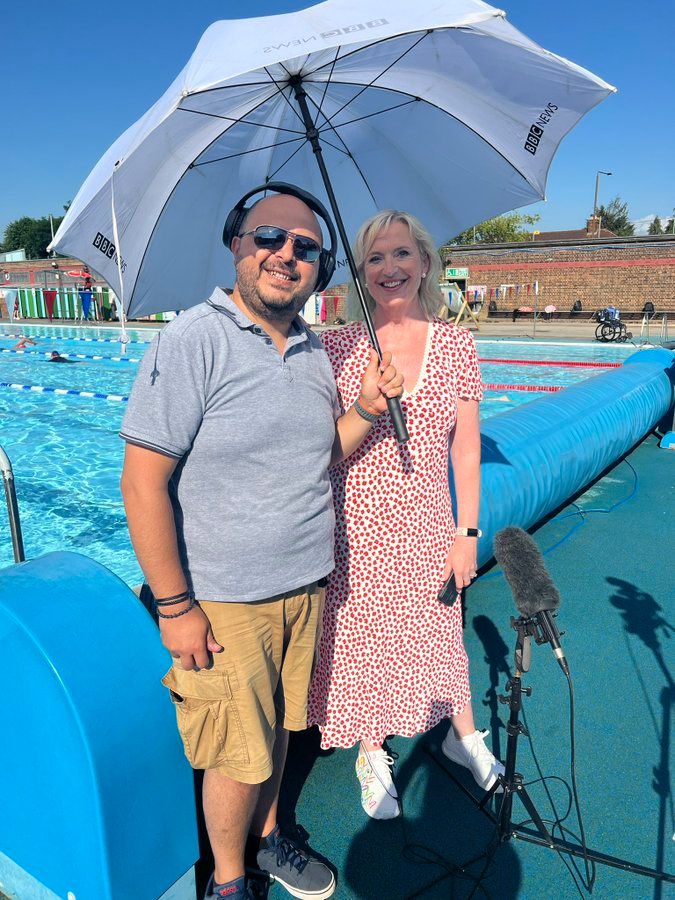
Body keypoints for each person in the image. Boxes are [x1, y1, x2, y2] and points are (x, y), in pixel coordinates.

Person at [119, 184, 403, 900]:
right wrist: (178, 606)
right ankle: (228, 879)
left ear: (320, 265)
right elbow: (142, 482)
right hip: (225, 600)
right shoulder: (192, 340)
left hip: (303, 584)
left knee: (280, 731)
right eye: (269, 237)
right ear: (236, 244)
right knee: (236, 756)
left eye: (304, 246)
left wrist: (367, 406)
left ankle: (270, 836)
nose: (286, 254)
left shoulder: (310, 348)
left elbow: (320, 455)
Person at [308, 210, 504, 820]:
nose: (389, 268)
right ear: (360, 273)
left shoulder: (455, 344)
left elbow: (466, 448)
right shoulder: (338, 346)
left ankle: (459, 729)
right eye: (374, 258)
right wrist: (365, 401)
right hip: (357, 522)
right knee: (364, 637)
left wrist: (467, 532)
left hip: (426, 522)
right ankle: (372, 748)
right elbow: (320, 444)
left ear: (424, 263)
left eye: (400, 255)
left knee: (442, 630)